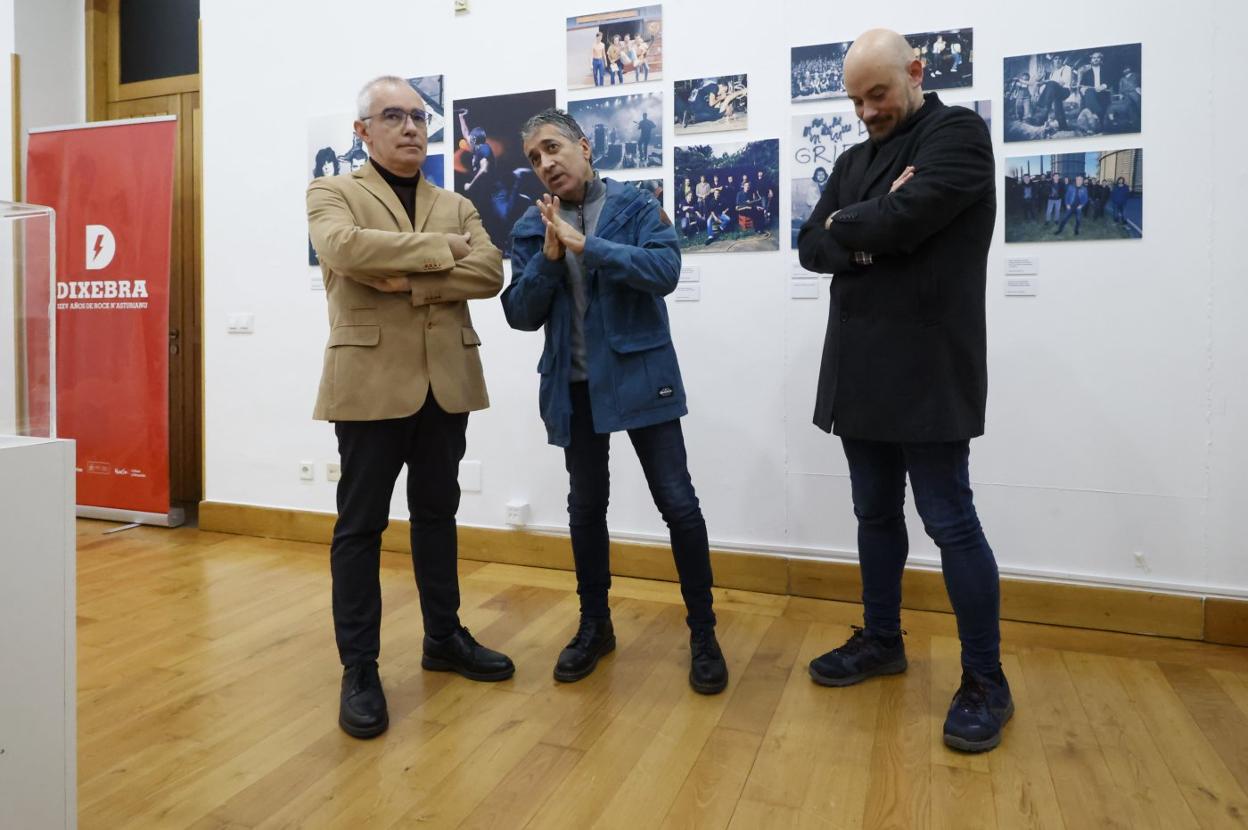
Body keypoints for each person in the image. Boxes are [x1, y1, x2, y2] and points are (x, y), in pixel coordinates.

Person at [796, 29, 1011, 753]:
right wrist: (866, 229)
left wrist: (855, 227)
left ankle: (986, 679)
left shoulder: (958, 134)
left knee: (950, 522)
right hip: (860, 367)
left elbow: (904, 217)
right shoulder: (856, 158)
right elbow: (810, 243)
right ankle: (883, 640)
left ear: (916, 73)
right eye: (855, 98)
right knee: (874, 514)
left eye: (877, 93)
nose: (865, 111)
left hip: (929, 365)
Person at [306, 76, 511, 740]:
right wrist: (442, 254)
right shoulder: (333, 191)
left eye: (420, 117)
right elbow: (343, 249)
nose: (411, 128)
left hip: (445, 381)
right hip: (368, 382)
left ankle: (443, 638)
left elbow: (489, 273)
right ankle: (359, 669)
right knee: (360, 527)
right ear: (362, 130)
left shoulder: (455, 201)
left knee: (437, 515)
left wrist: (407, 278)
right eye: (393, 116)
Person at [502, 108, 729, 695]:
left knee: (678, 503)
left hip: (641, 374)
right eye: (533, 158)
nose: (545, 163)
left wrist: (589, 245)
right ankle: (594, 625)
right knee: (585, 508)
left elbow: (665, 270)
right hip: (574, 387)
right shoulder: (532, 226)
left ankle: (704, 633)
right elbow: (519, 313)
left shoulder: (635, 205)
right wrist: (552, 259)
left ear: (583, 146)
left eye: (552, 148)